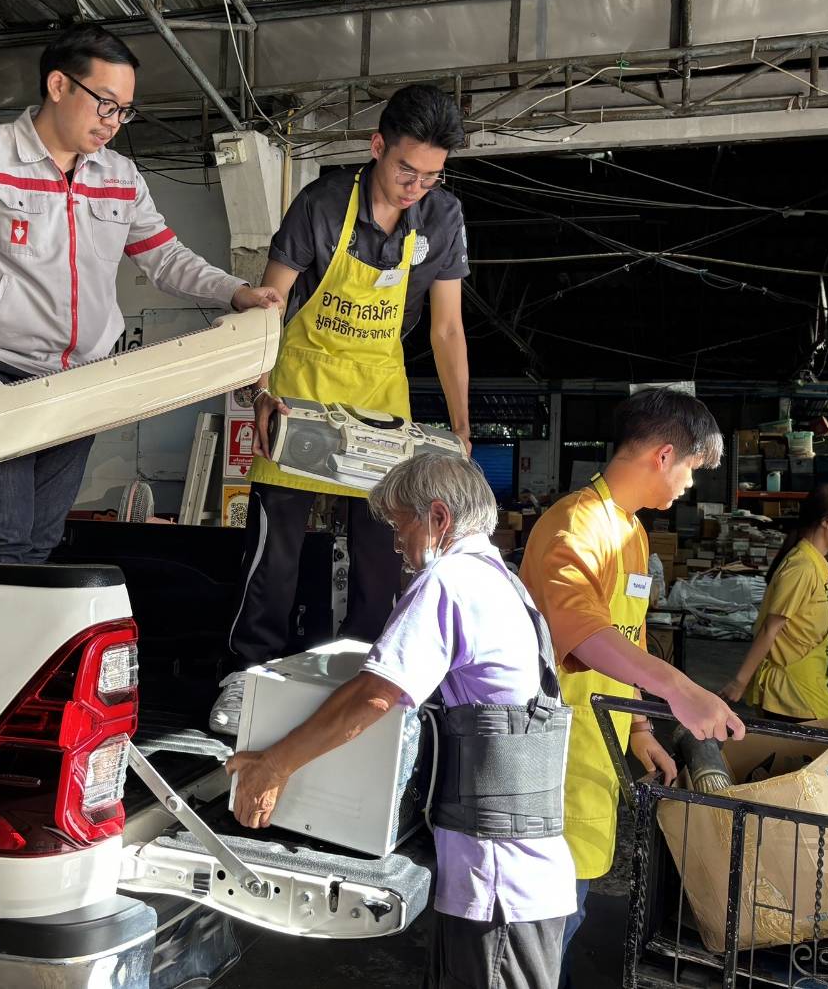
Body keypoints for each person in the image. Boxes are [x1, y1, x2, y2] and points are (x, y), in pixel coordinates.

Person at [0, 23, 280, 563]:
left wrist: (236, 292)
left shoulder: (121, 177)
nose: (113, 123)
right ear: (59, 85)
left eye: (124, 111)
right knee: (2, 539)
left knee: (42, 539)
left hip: (80, 380)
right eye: (105, 104)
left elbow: (164, 257)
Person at [227, 455, 575, 989]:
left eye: (399, 525)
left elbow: (375, 694)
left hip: (499, 885)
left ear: (438, 517)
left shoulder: (449, 580)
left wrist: (274, 765)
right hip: (512, 874)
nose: (395, 544)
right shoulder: (502, 581)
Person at [215, 83, 471, 729]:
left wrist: (461, 428)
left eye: (431, 177)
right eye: (406, 170)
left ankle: (364, 684)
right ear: (377, 146)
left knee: (385, 553)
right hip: (299, 385)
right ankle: (245, 677)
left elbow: (446, 329)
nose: (416, 188)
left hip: (379, 389)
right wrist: (260, 391)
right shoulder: (323, 204)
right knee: (274, 552)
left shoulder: (441, 218)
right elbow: (270, 306)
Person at [517, 388, 744, 964]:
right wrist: (680, 690)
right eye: (691, 469)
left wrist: (641, 726)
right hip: (553, 752)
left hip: (599, 743)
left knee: (568, 912)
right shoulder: (575, 526)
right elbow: (581, 630)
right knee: (544, 923)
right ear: (664, 456)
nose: (689, 485)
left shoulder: (632, 533)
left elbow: (630, 634)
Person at [718, 484, 828, 719]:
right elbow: (769, 629)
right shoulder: (802, 568)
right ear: (827, 521)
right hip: (791, 693)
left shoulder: (815, 566)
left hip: (804, 687)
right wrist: (739, 682)